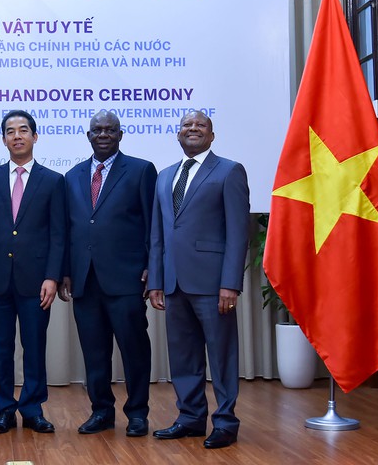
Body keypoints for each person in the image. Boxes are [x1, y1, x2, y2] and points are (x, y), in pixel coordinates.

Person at [147, 110, 250, 449]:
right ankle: (190, 418)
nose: (192, 129)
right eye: (186, 125)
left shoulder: (229, 171)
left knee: (221, 356)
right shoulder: (165, 176)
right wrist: (156, 281)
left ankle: (225, 422)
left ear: (212, 135)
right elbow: (158, 235)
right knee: (183, 356)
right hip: (174, 283)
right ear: (178, 134)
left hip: (213, 284)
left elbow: (238, 233)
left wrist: (230, 284)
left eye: (200, 125)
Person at [58, 110, 157, 437]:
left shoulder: (141, 170)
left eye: (110, 130)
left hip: (127, 278)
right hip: (85, 280)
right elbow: (67, 229)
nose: (103, 134)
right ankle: (101, 411)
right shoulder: (72, 176)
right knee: (94, 352)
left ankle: (138, 413)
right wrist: (66, 271)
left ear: (120, 134)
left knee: (134, 350)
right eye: (97, 130)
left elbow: (152, 225)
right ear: (88, 135)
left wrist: (151, 267)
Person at [0, 110, 64, 434]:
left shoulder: (53, 180)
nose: (17, 136)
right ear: (3, 140)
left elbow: (58, 234)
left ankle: (32, 409)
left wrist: (52, 276)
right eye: (10, 131)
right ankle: (3, 410)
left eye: (23, 130)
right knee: (0, 351)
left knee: (34, 348)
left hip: (36, 280)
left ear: (34, 136)